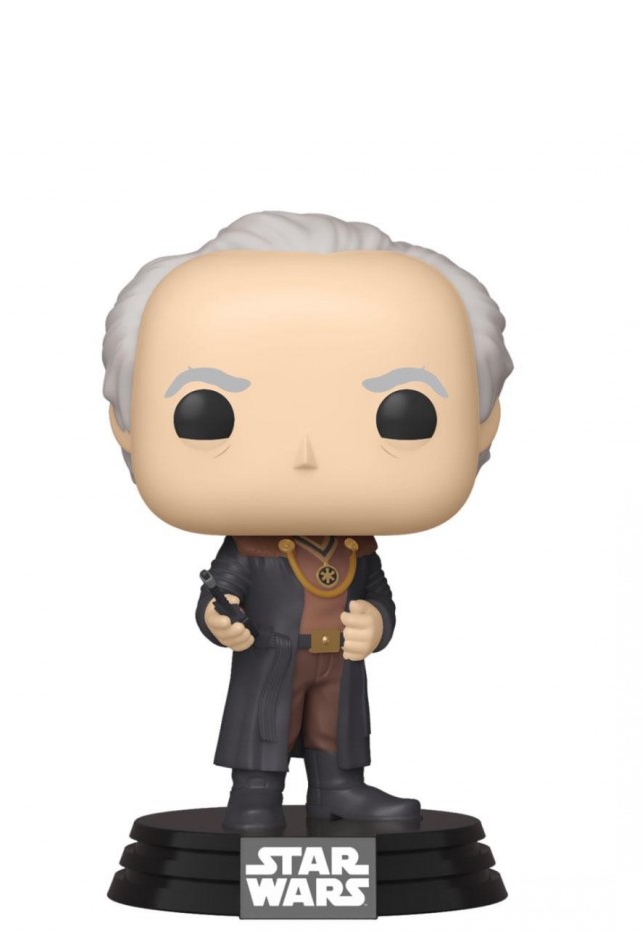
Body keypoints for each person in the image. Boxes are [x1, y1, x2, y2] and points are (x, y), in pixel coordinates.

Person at [102, 211, 513, 830]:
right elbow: (222, 586)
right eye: (207, 412)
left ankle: (339, 790)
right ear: (126, 424)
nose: (306, 456)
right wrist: (218, 616)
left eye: (404, 413)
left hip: (335, 660)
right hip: (272, 655)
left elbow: (375, 592)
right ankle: (255, 796)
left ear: (483, 424)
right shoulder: (251, 546)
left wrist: (378, 622)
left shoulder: (356, 547)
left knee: (336, 729)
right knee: (264, 730)